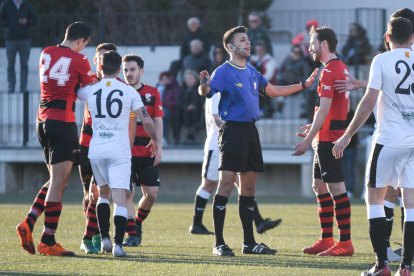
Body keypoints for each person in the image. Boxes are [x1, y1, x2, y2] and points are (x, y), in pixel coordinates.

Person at [199, 25, 318, 257]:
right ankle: (219, 244)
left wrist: (302, 85)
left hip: (251, 132)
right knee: (225, 184)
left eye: (248, 39)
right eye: (242, 40)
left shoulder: (252, 71)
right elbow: (206, 91)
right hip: (232, 131)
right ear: (230, 46)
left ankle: (249, 243)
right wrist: (203, 84)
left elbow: (272, 90)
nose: (248, 43)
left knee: (249, 188)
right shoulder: (223, 71)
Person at [332, 17, 414, 276]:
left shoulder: (382, 59)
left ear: (387, 38)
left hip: (389, 138)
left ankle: (381, 265)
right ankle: (407, 266)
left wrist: (347, 135)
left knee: (374, 199)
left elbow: (369, 100)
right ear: (412, 38)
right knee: (411, 205)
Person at [16, 22, 95, 256]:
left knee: (55, 180)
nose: (83, 49)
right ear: (81, 41)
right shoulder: (79, 60)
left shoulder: (46, 52)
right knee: (60, 182)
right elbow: (89, 88)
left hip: (42, 121)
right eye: (84, 45)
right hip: (63, 122)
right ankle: (47, 240)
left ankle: (29, 222)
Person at [77, 50, 158, 258]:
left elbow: (76, 91)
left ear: (100, 67)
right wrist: (155, 139)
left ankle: (104, 239)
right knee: (120, 200)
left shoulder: (90, 90)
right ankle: (118, 245)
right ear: (119, 69)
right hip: (119, 151)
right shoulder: (129, 92)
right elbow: (147, 120)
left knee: (103, 194)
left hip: (96, 150)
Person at [293, 26, 354, 257]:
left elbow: (326, 107)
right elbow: (333, 108)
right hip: (325, 134)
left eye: (312, 43)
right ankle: (327, 238)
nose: (309, 48)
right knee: (319, 186)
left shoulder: (330, 70)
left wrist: (308, 139)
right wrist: (314, 128)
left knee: (336, 188)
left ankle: (345, 242)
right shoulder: (337, 67)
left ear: (324, 44)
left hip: (329, 139)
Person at [189, 92, 282, 235]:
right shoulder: (215, 93)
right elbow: (216, 118)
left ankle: (258, 221)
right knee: (209, 184)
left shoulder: (224, 91)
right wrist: (232, 133)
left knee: (242, 184)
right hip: (216, 145)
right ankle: (196, 224)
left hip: (227, 145)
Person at [78, 42, 118, 254]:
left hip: (107, 147)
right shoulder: (88, 84)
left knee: (100, 193)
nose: (103, 61)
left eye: (108, 57)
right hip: (86, 144)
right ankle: (92, 235)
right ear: (96, 61)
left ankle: (91, 236)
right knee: (89, 195)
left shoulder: (118, 85)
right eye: (100, 57)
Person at [120, 54, 163, 247]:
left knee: (151, 194)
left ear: (141, 71)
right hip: (125, 153)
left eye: (132, 70)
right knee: (128, 194)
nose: (128, 73)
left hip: (146, 151)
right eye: (125, 70)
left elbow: (157, 120)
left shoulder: (152, 93)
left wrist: (159, 146)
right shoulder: (119, 92)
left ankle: (136, 224)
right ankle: (132, 235)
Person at [0, 0, 37, 93]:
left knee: (24, 64)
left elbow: (34, 19)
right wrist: (9, 24)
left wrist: (27, 21)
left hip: (25, 39)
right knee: (10, 64)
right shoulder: (6, 4)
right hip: (10, 39)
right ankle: (11, 87)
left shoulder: (27, 4)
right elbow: (1, 18)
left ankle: (23, 87)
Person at [250, 41, 277, 118]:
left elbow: (269, 75)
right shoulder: (253, 60)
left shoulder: (269, 61)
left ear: (264, 50)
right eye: (257, 50)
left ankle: (262, 110)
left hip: (268, 84)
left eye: (260, 50)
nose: (258, 52)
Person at [178, 70, 205, 143]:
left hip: (198, 110)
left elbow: (201, 101)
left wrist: (193, 105)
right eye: (187, 79)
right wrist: (186, 106)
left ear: (195, 79)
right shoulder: (182, 90)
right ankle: (187, 136)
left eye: (190, 78)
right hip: (184, 110)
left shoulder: (200, 89)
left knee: (193, 111)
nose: (188, 81)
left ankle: (191, 136)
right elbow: (179, 102)